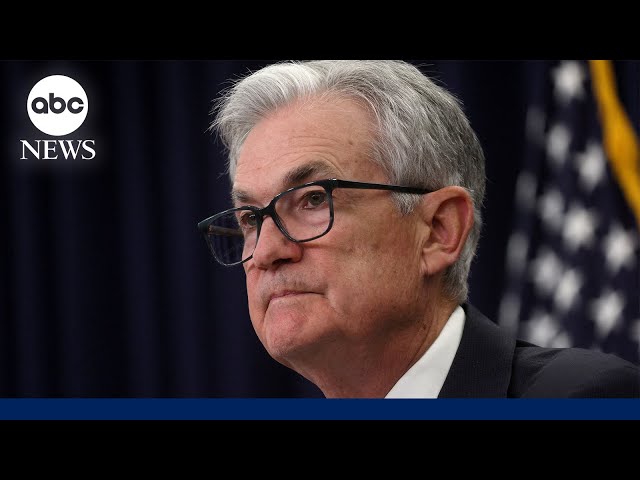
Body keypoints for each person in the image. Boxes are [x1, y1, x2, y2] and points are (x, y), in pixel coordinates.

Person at [198, 60, 640, 398]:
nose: (266, 252)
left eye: (313, 199)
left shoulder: (583, 396)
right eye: (251, 218)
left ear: (438, 229)